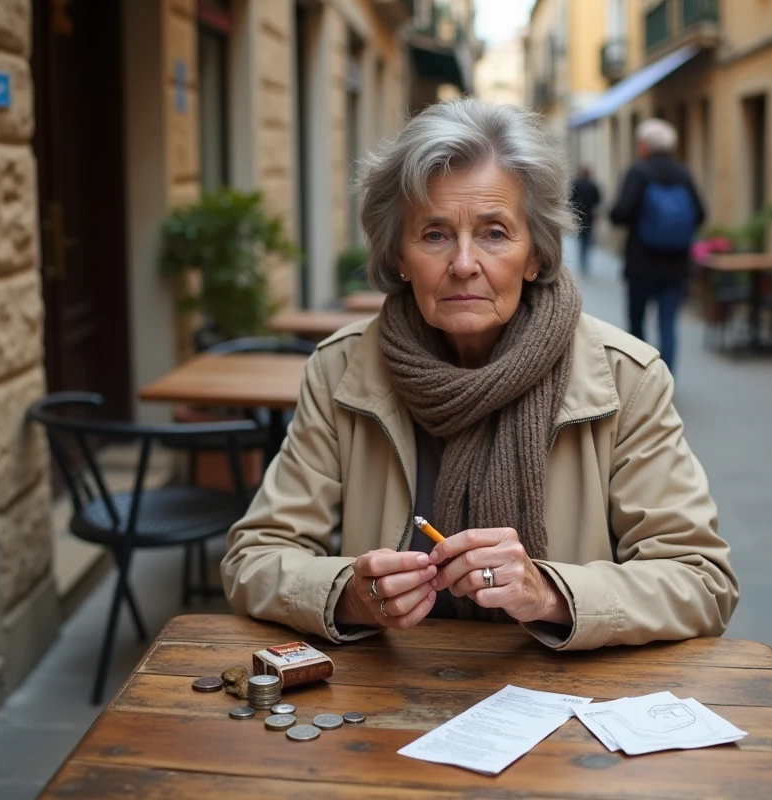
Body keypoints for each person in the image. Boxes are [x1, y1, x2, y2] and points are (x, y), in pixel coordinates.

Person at [222, 99, 736, 651]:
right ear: (398, 254)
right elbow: (254, 557)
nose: (464, 263)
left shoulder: (625, 378)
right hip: (382, 705)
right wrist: (347, 593)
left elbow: (700, 580)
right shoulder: (340, 369)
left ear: (535, 254)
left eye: (494, 233)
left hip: (560, 710)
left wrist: (550, 594)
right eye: (435, 234)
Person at [609, 119, 706, 373]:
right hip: (676, 265)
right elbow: (701, 214)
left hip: (642, 263)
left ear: (643, 147)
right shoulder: (683, 173)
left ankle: (641, 384)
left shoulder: (639, 172)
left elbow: (620, 213)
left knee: (637, 323)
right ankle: (667, 381)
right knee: (668, 323)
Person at [569, 167, 601, 276]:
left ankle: (582, 261)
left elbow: (571, 201)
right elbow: (598, 202)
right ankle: (585, 263)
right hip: (590, 217)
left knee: (581, 240)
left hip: (579, 217)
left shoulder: (576, 184)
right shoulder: (593, 186)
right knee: (587, 240)